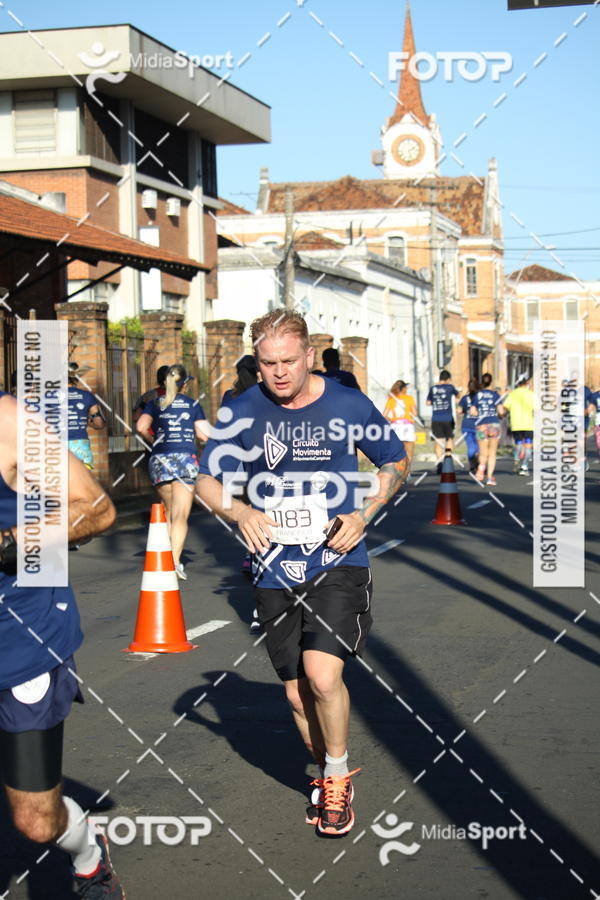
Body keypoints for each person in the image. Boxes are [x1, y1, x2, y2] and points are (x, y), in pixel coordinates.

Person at [196, 309, 407, 836]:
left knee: (321, 674)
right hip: (273, 566)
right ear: (257, 362)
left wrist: (363, 515)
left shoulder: (346, 402)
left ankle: (336, 776)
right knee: (295, 694)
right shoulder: (242, 409)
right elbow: (205, 482)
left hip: (337, 558)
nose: (280, 373)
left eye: (289, 361)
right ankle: (325, 767)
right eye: (268, 363)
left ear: (310, 355)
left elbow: (394, 461)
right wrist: (240, 512)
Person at [0, 391, 122, 897]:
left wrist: (10, 542)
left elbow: (96, 509)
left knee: (35, 821)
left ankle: (89, 857)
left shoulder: (9, 422)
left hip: (20, 640)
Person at [136, 364, 209, 580]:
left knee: (168, 511)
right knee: (180, 514)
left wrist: (155, 443)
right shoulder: (193, 404)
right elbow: (204, 435)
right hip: (185, 461)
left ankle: (165, 557)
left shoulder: (153, 404)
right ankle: (174, 562)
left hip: (159, 460)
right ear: (184, 385)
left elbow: (140, 427)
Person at [67, 363, 105, 469]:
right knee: (84, 482)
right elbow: (99, 423)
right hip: (81, 446)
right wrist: (86, 420)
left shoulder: (50, 396)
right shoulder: (87, 396)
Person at [471, 373, 505, 486]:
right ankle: (490, 477)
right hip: (494, 425)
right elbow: (501, 411)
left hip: (481, 426)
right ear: (491, 382)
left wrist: (479, 414)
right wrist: (501, 415)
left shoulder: (477, 395)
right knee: (492, 453)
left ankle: (481, 467)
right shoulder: (495, 395)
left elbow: (472, 412)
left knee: (483, 452)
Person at [426, 370, 458, 472]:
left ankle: (439, 462)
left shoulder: (433, 388)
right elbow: (458, 396)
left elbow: (428, 402)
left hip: (436, 418)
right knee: (449, 439)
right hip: (448, 418)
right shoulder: (450, 387)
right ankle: (448, 459)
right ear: (448, 379)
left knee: (438, 441)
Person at [383, 380, 417, 475]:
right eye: (406, 387)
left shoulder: (391, 399)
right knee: (409, 450)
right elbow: (414, 413)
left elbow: (384, 415)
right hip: (407, 425)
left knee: (397, 450)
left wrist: (392, 418)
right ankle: (407, 471)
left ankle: (399, 470)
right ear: (403, 389)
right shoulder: (409, 398)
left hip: (396, 426)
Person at [503, 374, 534, 475]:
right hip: (528, 423)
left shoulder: (513, 394)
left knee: (518, 443)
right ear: (527, 383)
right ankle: (524, 466)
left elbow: (506, 406)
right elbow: (537, 407)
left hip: (516, 423)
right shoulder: (531, 394)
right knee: (528, 445)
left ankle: (516, 459)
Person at [458, 378, 480, 473]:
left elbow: (459, 410)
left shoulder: (464, 398)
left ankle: (472, 464)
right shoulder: (480, 397)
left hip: (466, 425)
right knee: (478, 447)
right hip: (479, 425)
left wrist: (465, 411)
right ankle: (478, 464)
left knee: (471, 446)